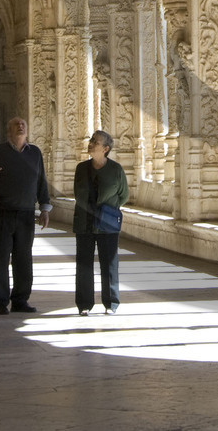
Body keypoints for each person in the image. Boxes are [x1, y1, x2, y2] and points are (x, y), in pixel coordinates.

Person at [0, 117, 51, 314]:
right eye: (15, 125)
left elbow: (41, 180)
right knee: (1, 258)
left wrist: (45, 207)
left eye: (23, 125)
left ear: (27, 130)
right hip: (3, 212)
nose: (20, 126)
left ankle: (20, 300)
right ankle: (0, 302)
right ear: (8, 131)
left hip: (27, 213)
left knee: (23, 258)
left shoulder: (34, 153)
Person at [72, 129, 129, 316]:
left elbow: (123, 196)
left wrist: (105, 211)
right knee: (84, 265)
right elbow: (77, 193)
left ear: (105, 148)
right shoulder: (81, 168)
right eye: (91, 140)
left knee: (109, 264)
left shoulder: (115, 170)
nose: (90, 143)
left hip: (107, 224)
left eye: (95, 142)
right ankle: (84, 304)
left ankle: (111, 302)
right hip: (84, 222)